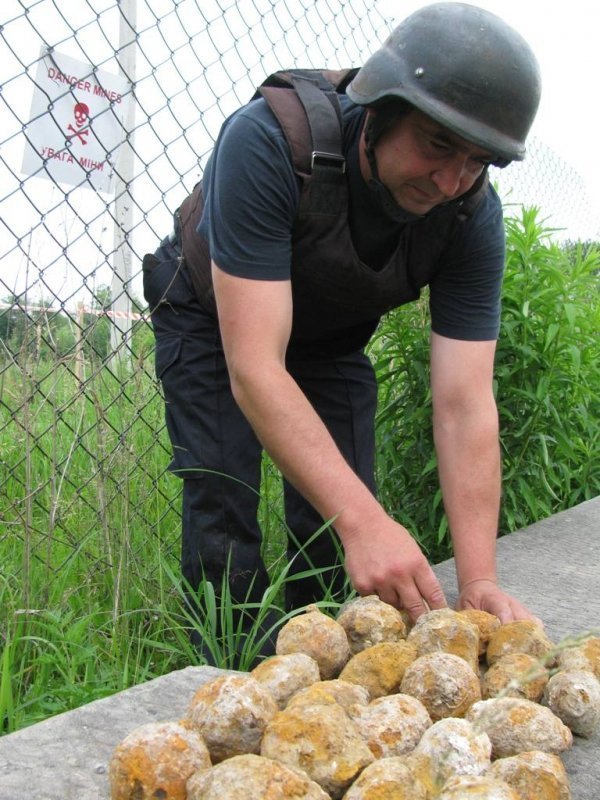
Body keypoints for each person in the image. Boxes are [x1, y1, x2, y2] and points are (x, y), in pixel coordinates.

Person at [143, 2, 542, 649]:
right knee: (225, 517)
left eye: (477, 161)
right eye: (438, 145)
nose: (450, 179)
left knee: (335, 538)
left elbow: (465, 403)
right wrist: (366, 521)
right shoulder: (271, 141)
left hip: (329, 334)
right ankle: (231, 674)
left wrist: (479, 583)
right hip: (213, 317)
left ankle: (324, 678)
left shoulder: (470, 216)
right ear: (381, 110)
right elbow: (256, 366)